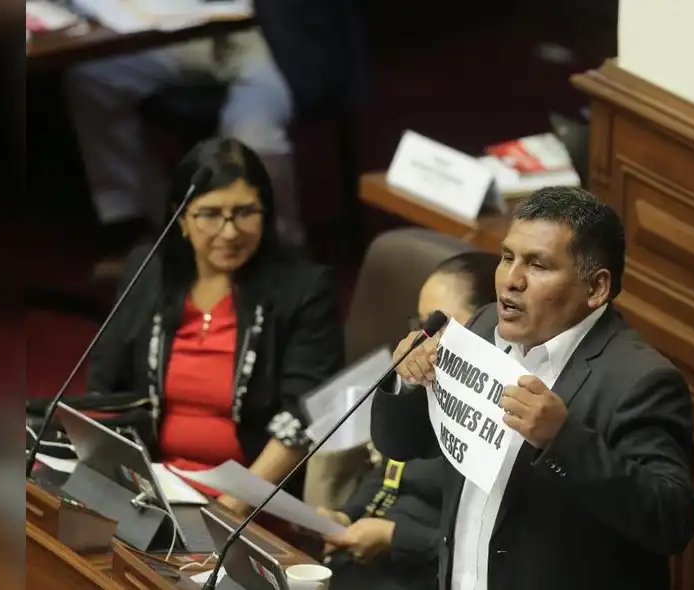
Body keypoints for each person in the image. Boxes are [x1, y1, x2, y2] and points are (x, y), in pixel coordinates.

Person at [371, 187, 694, 590]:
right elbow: (402, 444)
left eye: (538, 265)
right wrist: (407, 381)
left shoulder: (639, 381)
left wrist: (562, 440)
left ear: (596, 289)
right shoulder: (482, 327)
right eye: (508, 257)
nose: (511, 280)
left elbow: (671, 521)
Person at [86, 137, 344, 512]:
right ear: (182, 219)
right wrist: (112, 476)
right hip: (149, 484)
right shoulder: (148, 270)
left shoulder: (303, 289)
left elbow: (301, 418)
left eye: (245, 212)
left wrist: (228, 510)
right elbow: (103, 386)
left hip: (248, 501)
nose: (229, 232)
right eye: (210, 214)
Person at [318, 251, 501, 590]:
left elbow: (485, 548)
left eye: (439, 325)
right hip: (365, 564)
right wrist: (347, 515)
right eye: (421, 324)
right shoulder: (426, 379)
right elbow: (390, 470)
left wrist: (394, 537)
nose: (423, 338)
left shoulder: (494, 414)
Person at [64, 28, 304, 247]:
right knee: (92, 78)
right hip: (186, 35)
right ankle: (156, 222)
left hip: (263, 41)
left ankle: (279, 247)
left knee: (250, 131)